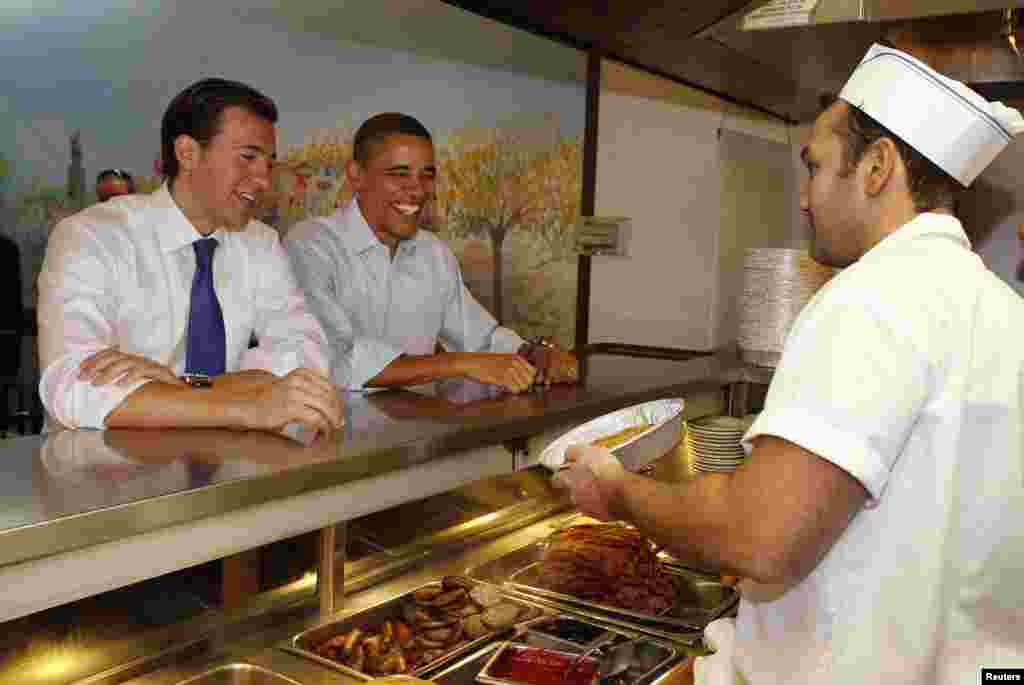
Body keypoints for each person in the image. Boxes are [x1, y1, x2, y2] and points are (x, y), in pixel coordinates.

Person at [555, 43, 1024, 682]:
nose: (803, 198)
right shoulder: (1002, 309)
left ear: (878, 167)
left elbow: (759, 538)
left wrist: (617, 490)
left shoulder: (873, 298)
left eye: (814, 167)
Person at [37, 78, 343, 438]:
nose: (262, 179)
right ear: (187, 153)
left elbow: (306, 350)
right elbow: (72, 385)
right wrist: (248, 404)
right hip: (106, 477)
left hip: (226, 465)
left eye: (268, 163)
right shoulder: (92, 236)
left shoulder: (260, 244)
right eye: (248, 157)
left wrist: (188, 388)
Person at [284, 113, 577, 393]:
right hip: (327, 434)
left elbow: (480, 337)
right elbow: (338, 357)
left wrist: (533, 353)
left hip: (418, 435)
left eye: (427, 175)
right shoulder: (311, 244)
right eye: (399, 174)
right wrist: (460, 364)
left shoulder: (434, 253)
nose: (417, 189)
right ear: (356, 175)